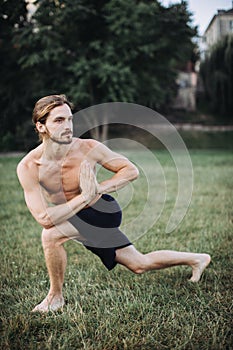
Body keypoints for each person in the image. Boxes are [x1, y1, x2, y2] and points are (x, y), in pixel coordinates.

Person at [17, 94, 211, 313]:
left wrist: (98, 189)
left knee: (51, 236)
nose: (68, 126)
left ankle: (55, 297)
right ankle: (197, 259)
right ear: (41, 126)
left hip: (101, 212)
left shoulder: (88, 148)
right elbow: (43, 218)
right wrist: (84, 197)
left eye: (70, 119)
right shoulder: (29, 166)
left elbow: (130, 170)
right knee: (139, 264)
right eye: (59, 121)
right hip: (77, 213)